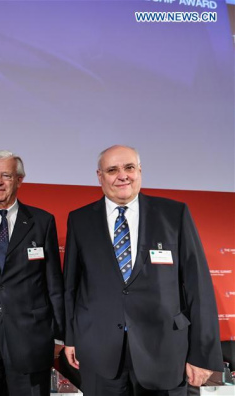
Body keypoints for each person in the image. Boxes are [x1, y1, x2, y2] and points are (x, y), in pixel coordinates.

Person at [63, 145, 223, 396]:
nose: (122, 175)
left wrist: (202, 354)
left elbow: (198, 287)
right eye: (112, 169)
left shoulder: (174, 214)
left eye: (129, 167)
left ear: (140, 171)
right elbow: (71, 286)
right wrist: (70, 338)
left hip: (165, 353)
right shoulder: (79, 220)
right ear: (100, 176)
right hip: (100, 353)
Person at [0, 150, 65, 396]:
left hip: (30, 339)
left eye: (6, 176)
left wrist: (63, 335)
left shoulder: (42, 222)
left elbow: (53, 283)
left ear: (19, 180)